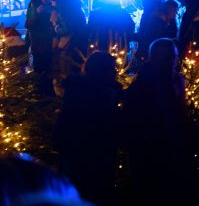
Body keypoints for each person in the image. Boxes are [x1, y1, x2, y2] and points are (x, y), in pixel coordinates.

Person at [123, 38, 189, 202]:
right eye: (172, 56)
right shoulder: (153, 82)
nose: (174, 60)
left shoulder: (169, 80)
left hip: (159, 139)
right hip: (153, 140)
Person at [54, 51, 122, 204]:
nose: (115, 74)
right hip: (89, 160)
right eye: (112, 70)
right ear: (103, 72)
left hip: (78, 160)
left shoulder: (80, 91)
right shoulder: (95, 96)